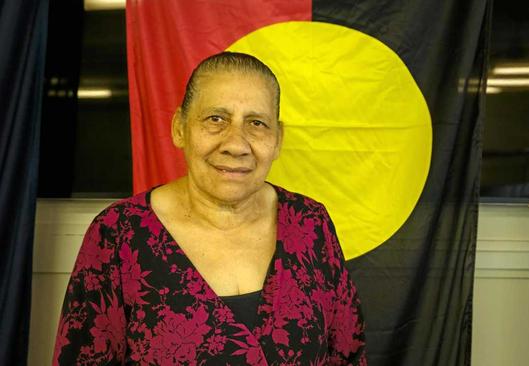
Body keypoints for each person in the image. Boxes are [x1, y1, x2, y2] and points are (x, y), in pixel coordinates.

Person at [53, 52, 366, 365]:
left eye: (256, 123)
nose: (236, 144)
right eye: (216, 119)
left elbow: (348, 354)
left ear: (278, 139)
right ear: (180, 128)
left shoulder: (311, 224)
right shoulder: (118, 234)